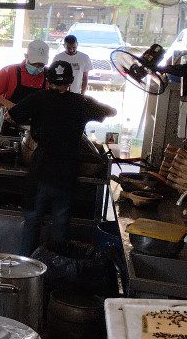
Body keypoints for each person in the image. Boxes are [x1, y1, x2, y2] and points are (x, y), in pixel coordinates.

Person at [9, 60, 115, 256]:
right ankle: (56, 271)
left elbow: (13, 114)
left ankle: (25, 269)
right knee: (60, 226)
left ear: (48, 80)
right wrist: (88, 102)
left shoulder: (39, 97)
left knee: (32, 222)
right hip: (66, 171)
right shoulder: (81, 103)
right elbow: (111, 112)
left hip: (41, 168)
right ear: (71, 81)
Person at [0, 39, 50, 135]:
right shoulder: (10, 71)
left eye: (41, 65)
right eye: (35, 64)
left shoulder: (49, 75)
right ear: (26, 57)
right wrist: (11, 106)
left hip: (36, 127)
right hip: (10, 122)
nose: (38, 68)